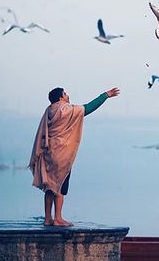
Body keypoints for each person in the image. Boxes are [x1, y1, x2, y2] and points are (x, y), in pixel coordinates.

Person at [29, 86, 120, 226]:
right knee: (60, 184)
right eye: (65, 93)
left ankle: (48, 219)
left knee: (49, 186)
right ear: (60, 97)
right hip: (62, 153)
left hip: (49, 152)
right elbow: (88, 108)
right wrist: (105, 95)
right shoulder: (65, 110)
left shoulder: (49, 110)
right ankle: (58, 218)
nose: (67, 95)